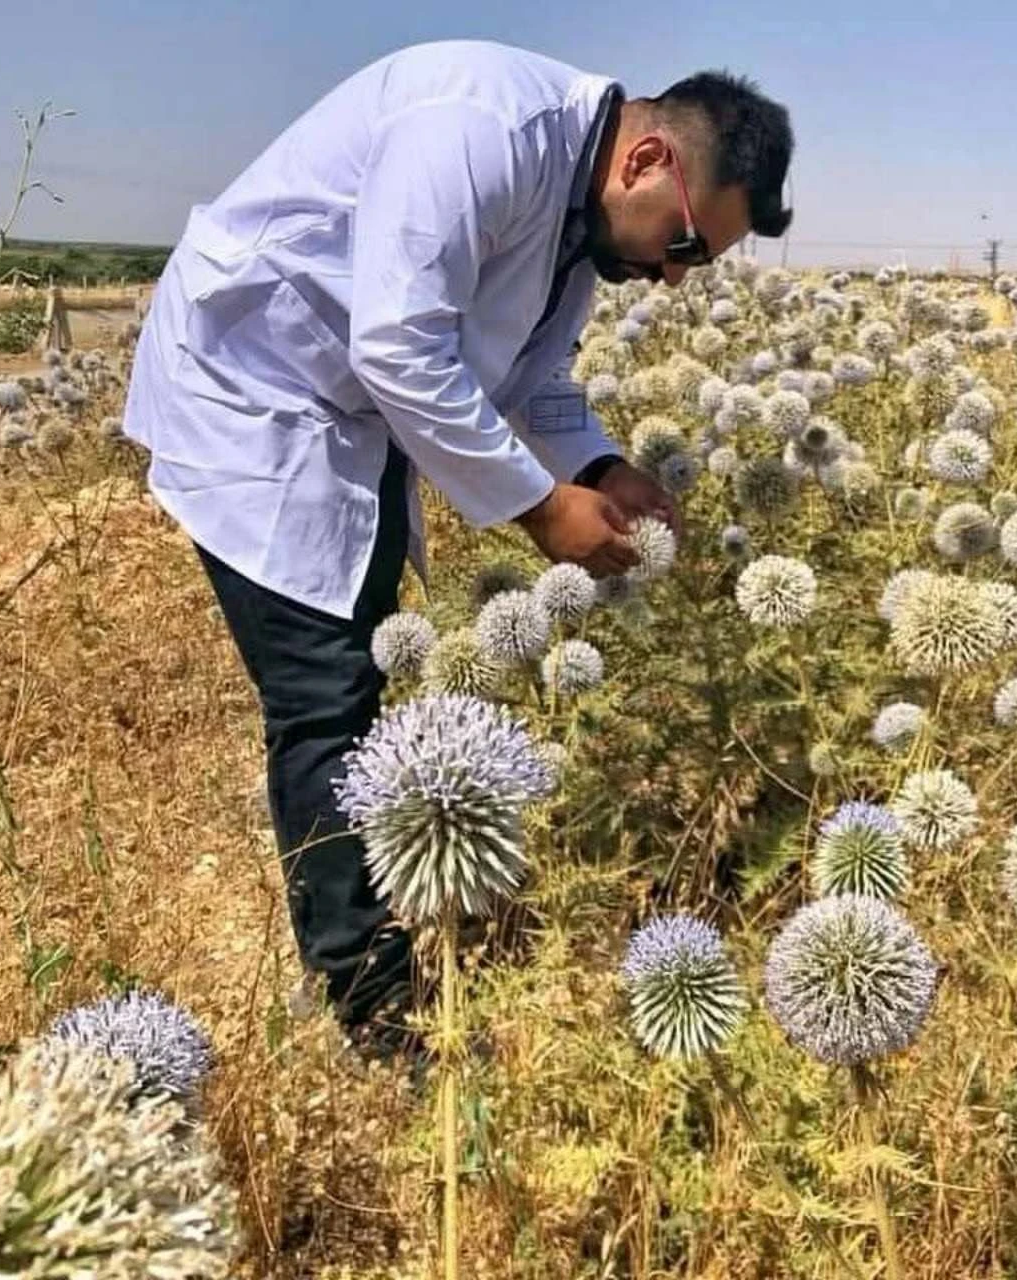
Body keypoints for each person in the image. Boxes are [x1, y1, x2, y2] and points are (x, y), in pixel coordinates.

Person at [123, 38, 793, 1061]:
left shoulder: (582, 225)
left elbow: (535, 379)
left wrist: (604, 468)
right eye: (687, 246)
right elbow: (396, 342)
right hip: (255, 392)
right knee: (323, 694)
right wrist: (537, 510)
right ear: (648, 162)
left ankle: (373, 943)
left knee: (357, 659)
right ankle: (370, 1010)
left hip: (347, 417)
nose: (669, 276)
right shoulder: (479, 127)